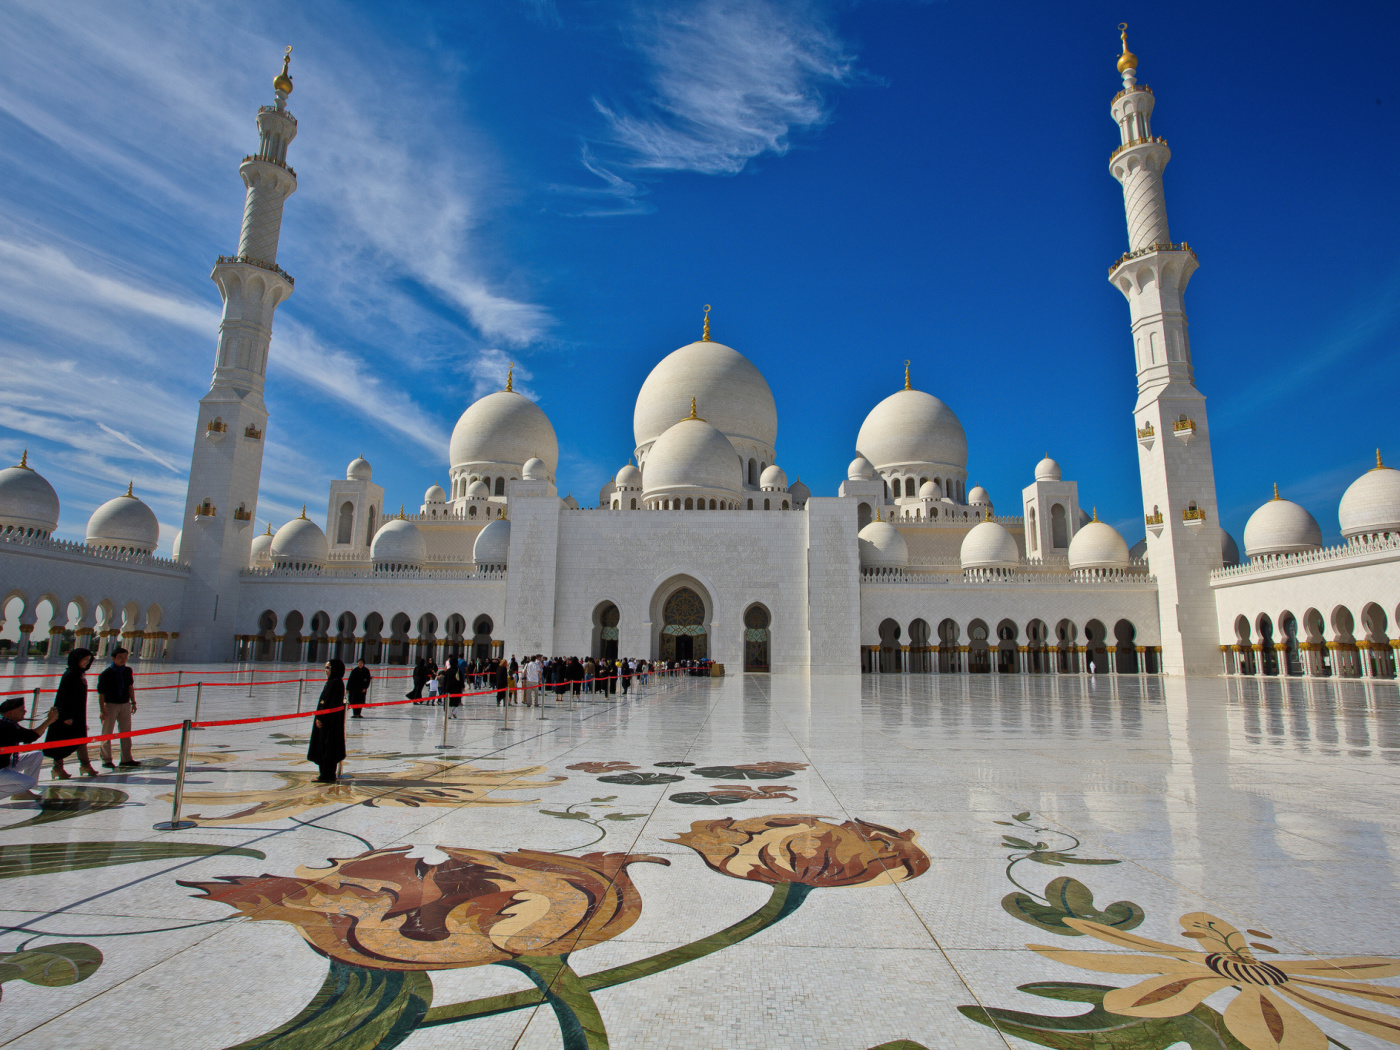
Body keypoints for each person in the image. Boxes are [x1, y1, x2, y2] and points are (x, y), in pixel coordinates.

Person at [44, 648, 98, 779]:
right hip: (67, 715)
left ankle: (85, 765)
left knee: (81, 739)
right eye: (84, 660)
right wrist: (66, 716)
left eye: (88, 660)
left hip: (78, 714)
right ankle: (57, 768)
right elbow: (63, 697)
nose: (86, 663)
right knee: (61, 740)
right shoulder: (70, 675)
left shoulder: (79, 674)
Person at [0, 696, 59, 799]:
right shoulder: (6, 728)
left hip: (4, 765)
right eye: (21, 709)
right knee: (29, 782)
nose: (25, 711)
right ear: (10, 713)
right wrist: (49, 721)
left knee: (36, 755)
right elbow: (31, 737)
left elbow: (30, 735)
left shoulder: (9, 724)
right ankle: (21, 790)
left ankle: (21, 793)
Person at [96, 647, 140, 769]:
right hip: (110, 705)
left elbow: (130, 687)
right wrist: (102, 710)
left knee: (125, 732)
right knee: (107, 733)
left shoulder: (127, 671)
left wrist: (133, 702)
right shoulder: (106, 674)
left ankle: (126, 758)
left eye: (125, 657)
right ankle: (106, 759)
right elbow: (101, 694)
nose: (123, 660)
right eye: (120, 657)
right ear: (113, 658)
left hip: (124, 704)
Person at [308, 658, 347, 783]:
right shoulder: (332, 682)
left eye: (328, 668)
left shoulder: (336, 683)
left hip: (329, 723)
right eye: (325, 667)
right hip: (326, 721)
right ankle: (324, 773)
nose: (326, 671)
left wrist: (322, 718)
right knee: (323, 747)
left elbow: (331, 705)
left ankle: (327, 775)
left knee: (328, 748)